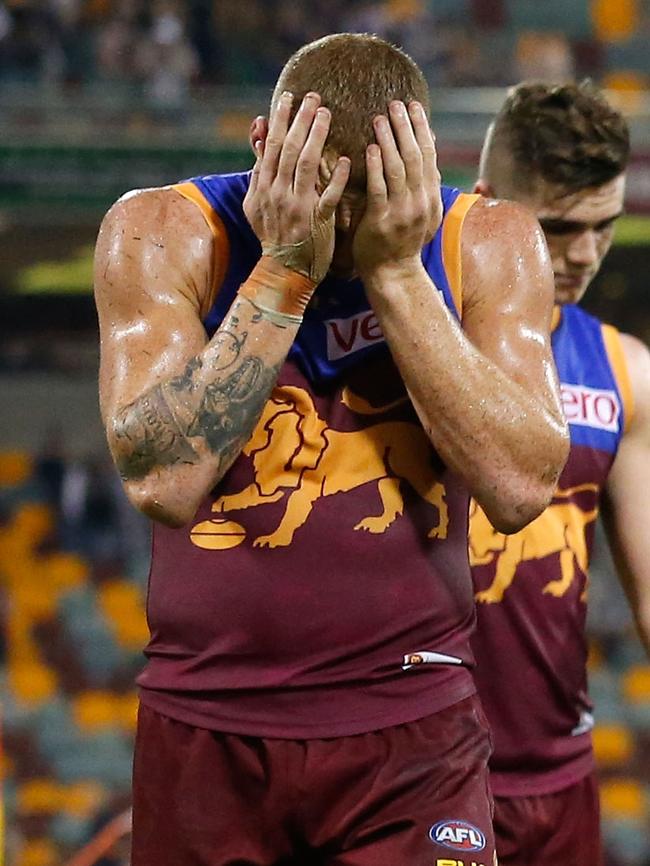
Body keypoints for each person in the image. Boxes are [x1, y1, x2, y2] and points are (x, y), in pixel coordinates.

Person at [94, 34, 569, 866]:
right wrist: (284, 269)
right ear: (262, 148)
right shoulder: (162, 229)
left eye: (371, 205)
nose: (342, 237)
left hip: (414, 727)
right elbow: (164, 480)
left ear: (420, 168)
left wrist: (396, 273)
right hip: (208, 722)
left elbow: (522, 485)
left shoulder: (488, 241)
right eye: (326, 202)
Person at [470, 80, 650, 866]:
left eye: (604, 227)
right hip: (416, 775)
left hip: (556, 777)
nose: (583, 254)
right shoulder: (401, 342)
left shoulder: (624, 372)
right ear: (484, 206)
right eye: (558, 227)